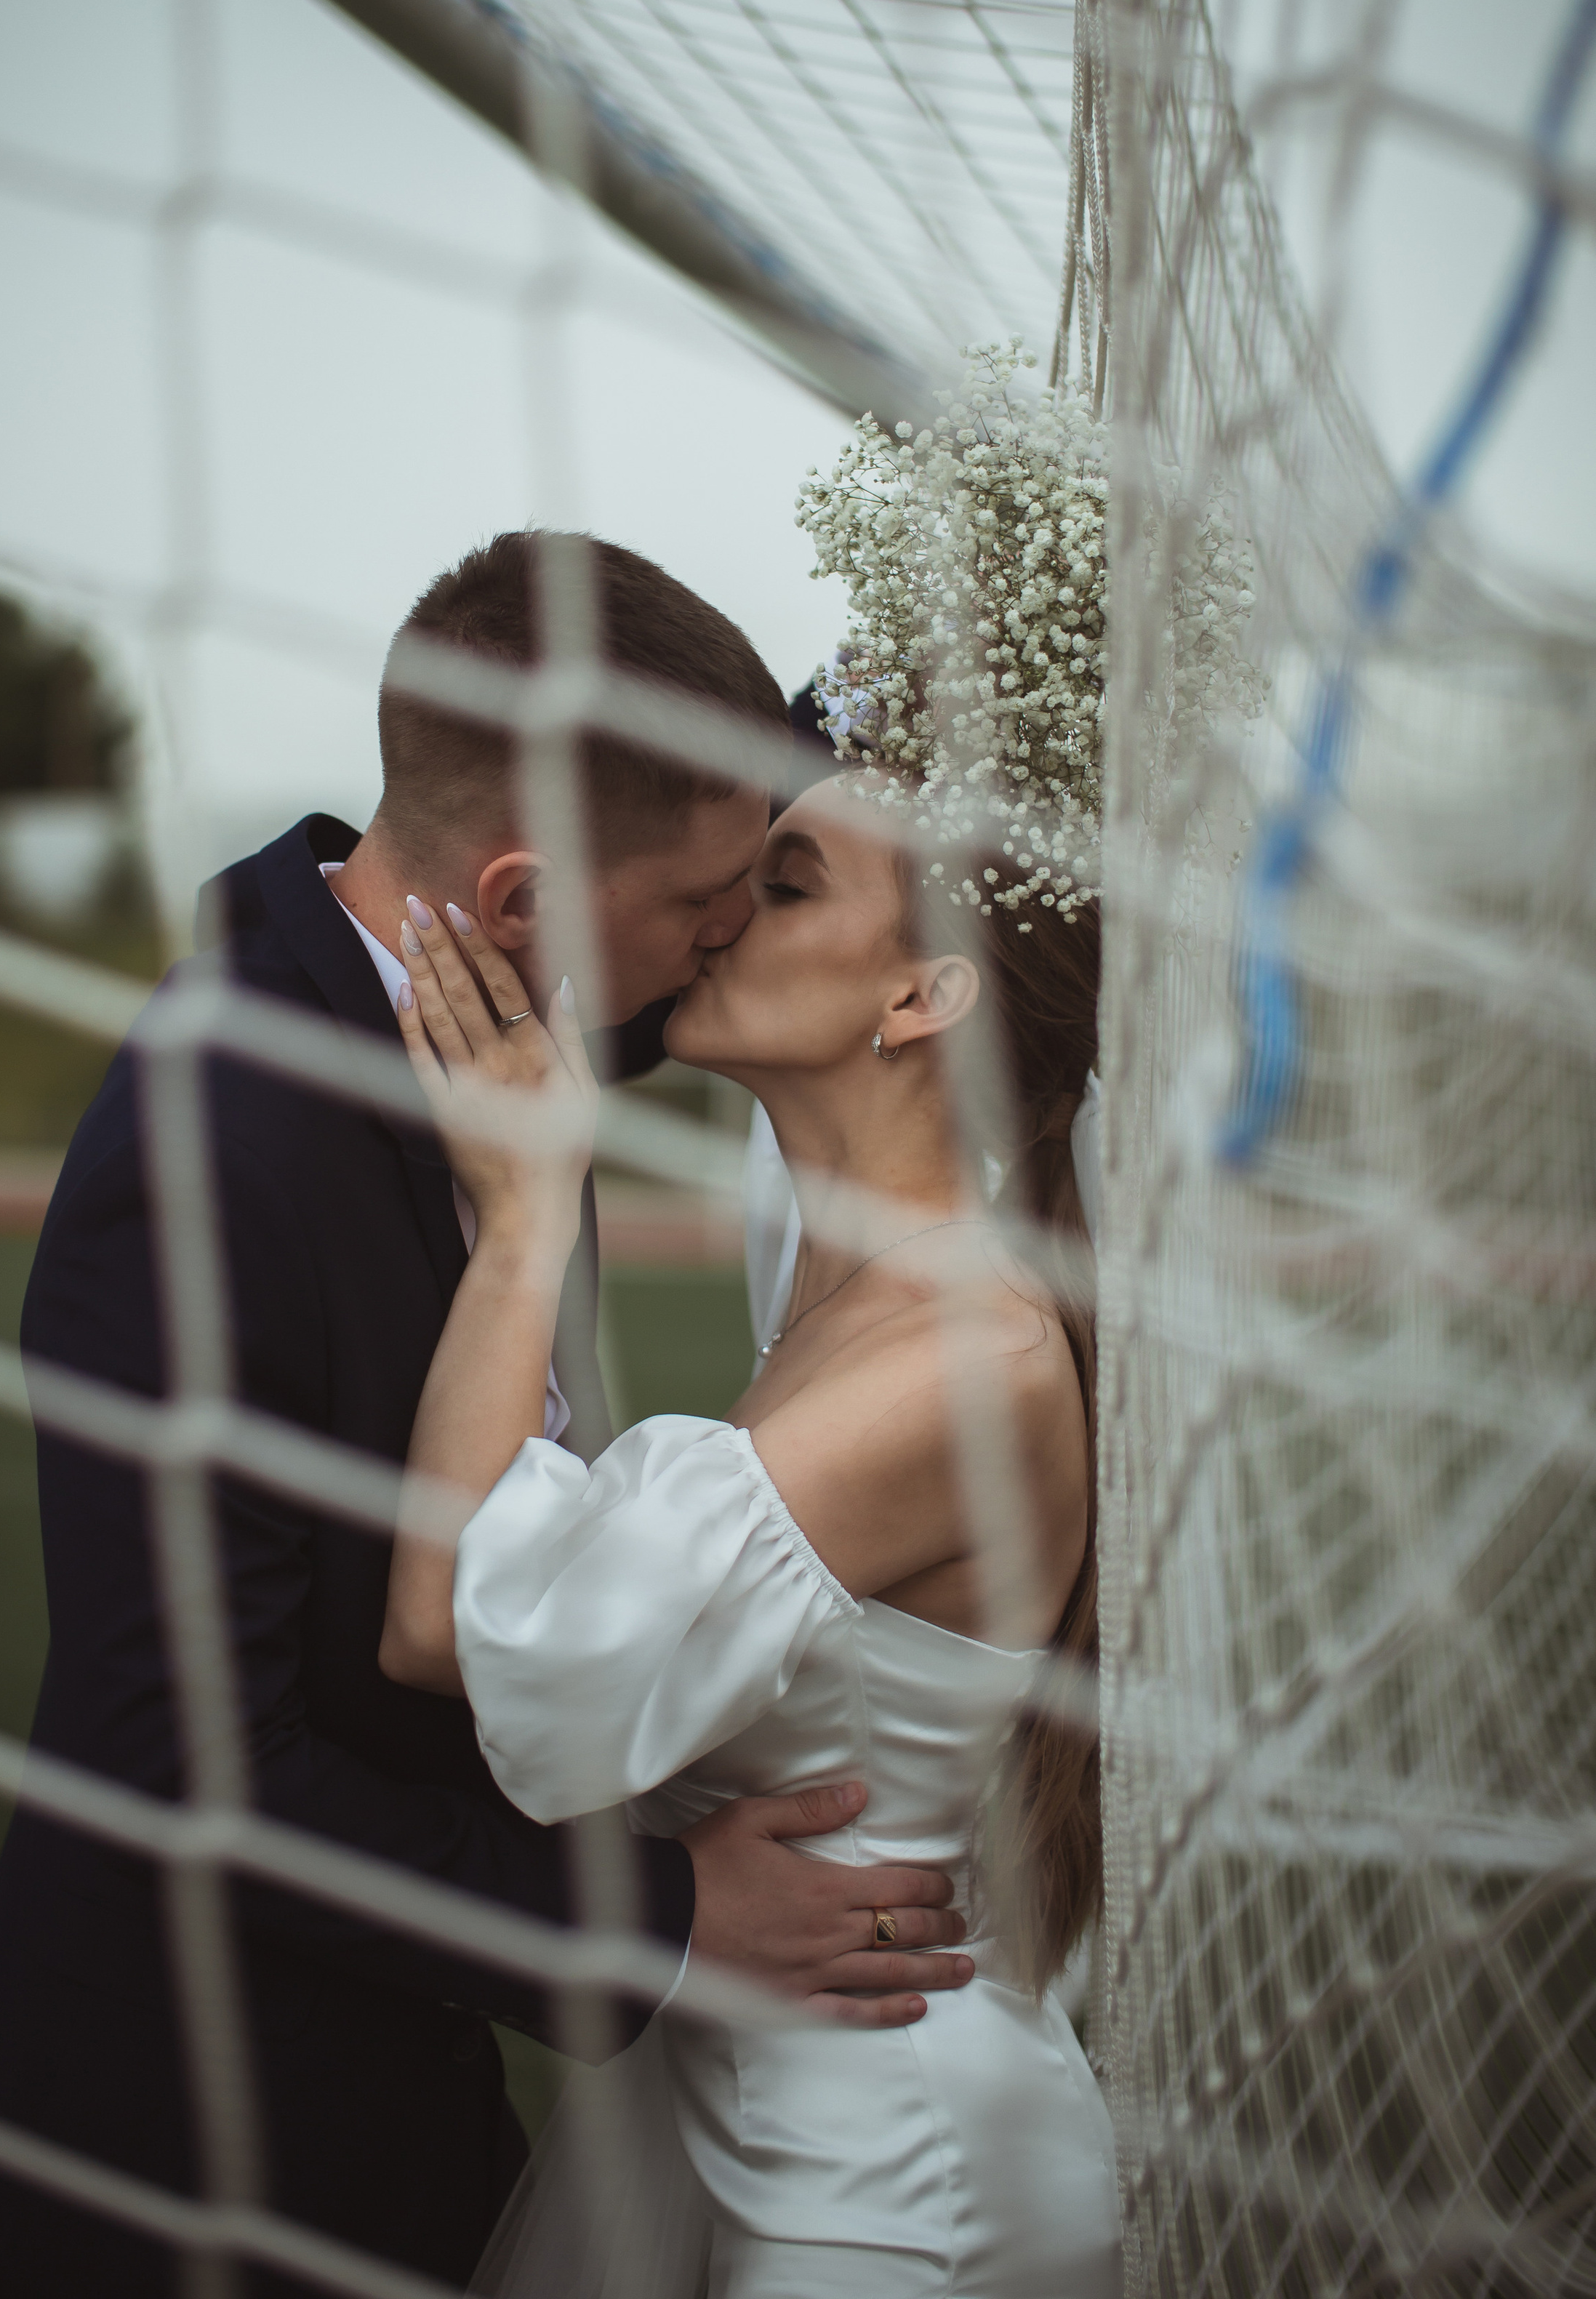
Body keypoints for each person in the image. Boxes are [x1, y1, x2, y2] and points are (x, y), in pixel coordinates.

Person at [0, 533, 972, 2299]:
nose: (728, 929)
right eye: (707, 897)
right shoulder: (217, 1140)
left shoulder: (523, 993)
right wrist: (667, 1921)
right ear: (517, 904)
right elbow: (191, 1765)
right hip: (198, 2143)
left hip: (413, 2098)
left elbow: (784, 910)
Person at [380, 774, 1123, 2298]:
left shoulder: (962, 1362)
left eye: (785, 887)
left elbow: (446, 1620)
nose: (720, 917)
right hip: (750, 2099)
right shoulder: (841, 1290)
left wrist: (523, 1219)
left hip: (894, 2180)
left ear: (920, 995)